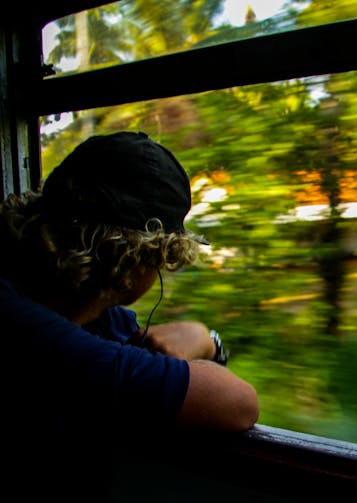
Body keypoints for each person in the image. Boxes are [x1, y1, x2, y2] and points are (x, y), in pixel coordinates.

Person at [0, 131, 259, 499]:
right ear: (135, 261)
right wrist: (203, 338)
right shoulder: (19, 323)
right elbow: (239, 403)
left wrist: (206, 344)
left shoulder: (95, 315)